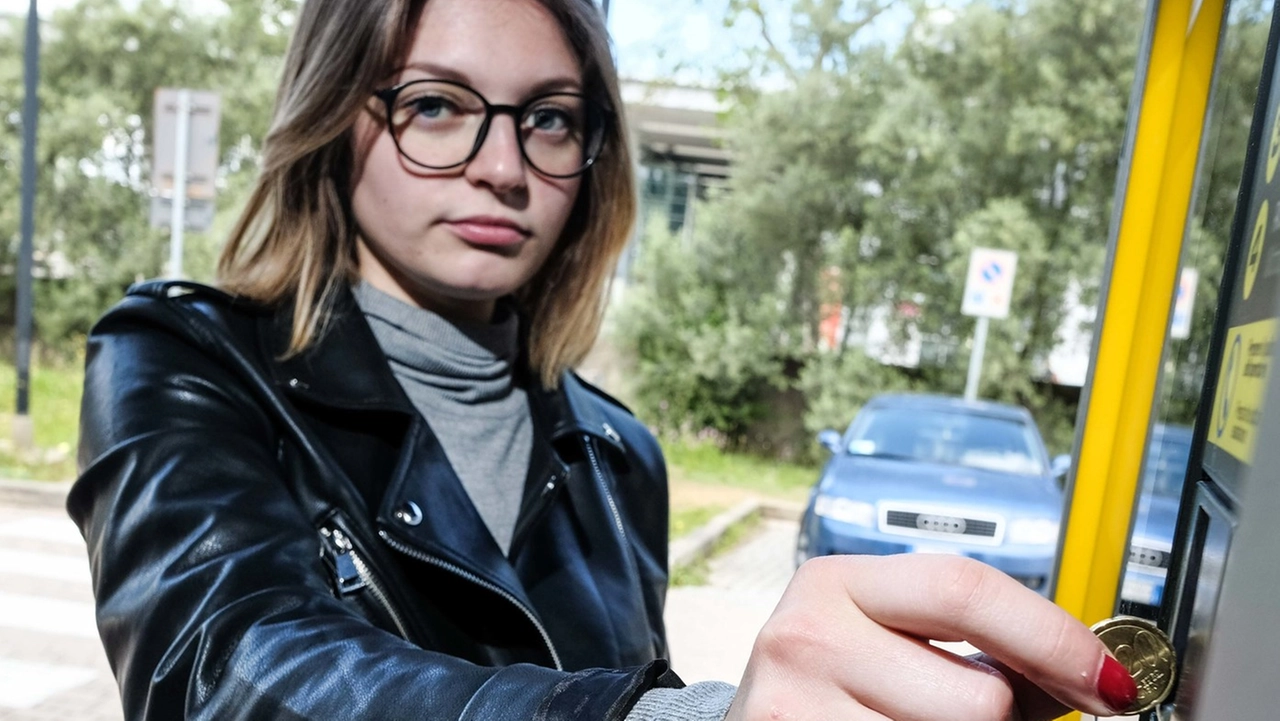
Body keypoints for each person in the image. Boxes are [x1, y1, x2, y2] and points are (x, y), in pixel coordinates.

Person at [68, 0, 1141, 718]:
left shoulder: (618, 448)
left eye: (547, 118)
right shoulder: (185, 357)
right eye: (436, 106)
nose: (501, 165)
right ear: (334, 117)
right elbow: (221, 671)